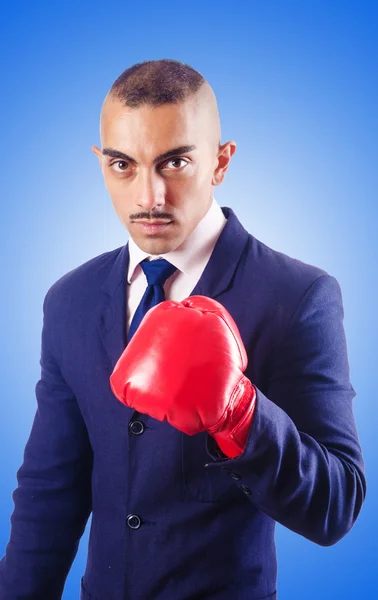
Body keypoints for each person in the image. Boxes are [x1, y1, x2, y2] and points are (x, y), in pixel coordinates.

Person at [0, 59, 366, 600]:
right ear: (100, 163)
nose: (148, 196)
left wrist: (241, 414)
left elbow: (336, 505)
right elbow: (49, 495)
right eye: (123, 165)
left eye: (173, 162)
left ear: (220, 162)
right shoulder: (69, 301)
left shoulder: (298, 296)